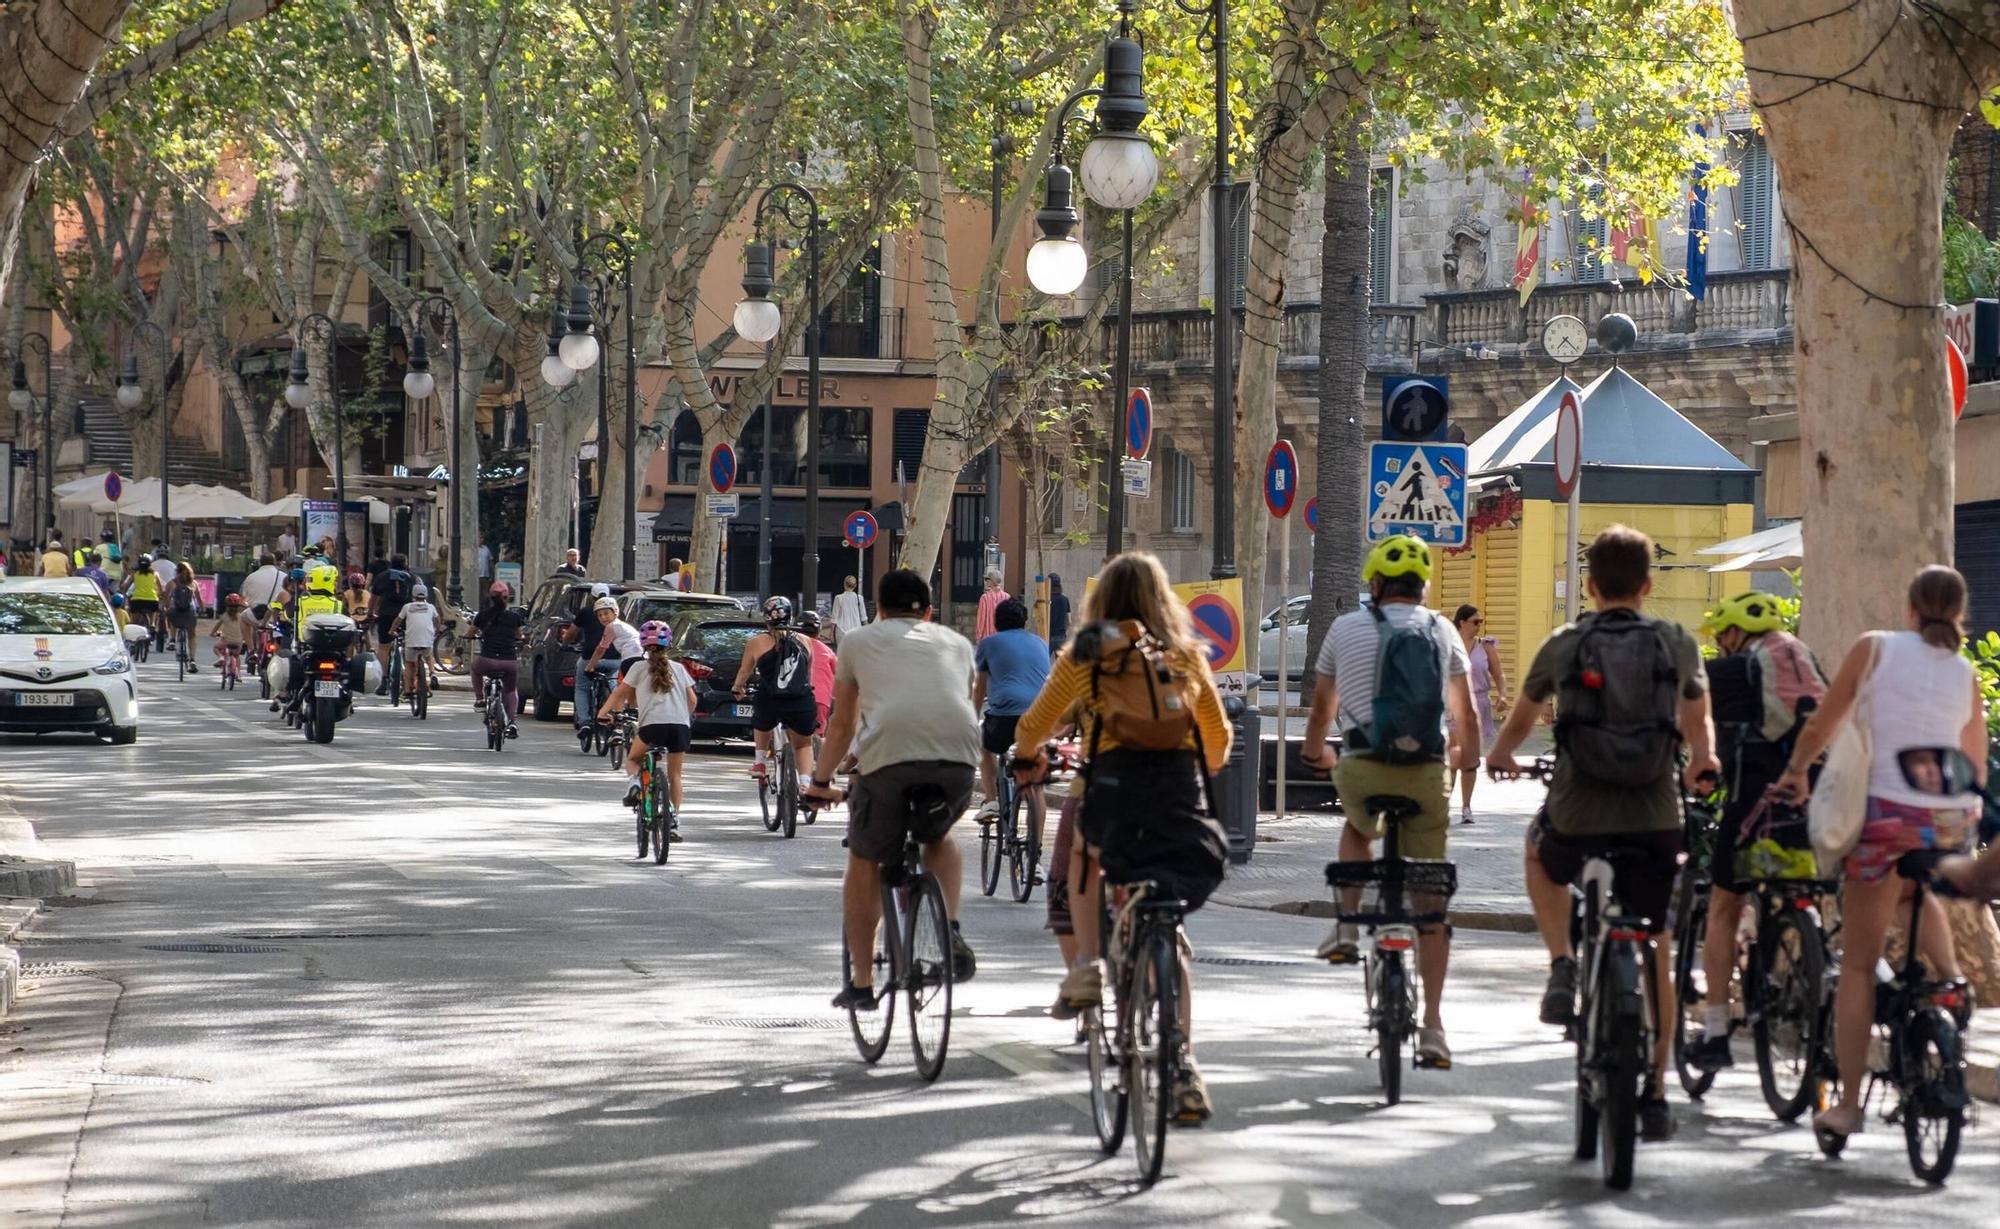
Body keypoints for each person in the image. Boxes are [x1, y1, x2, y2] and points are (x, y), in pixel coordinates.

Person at [1487, 524, 1717, 1144]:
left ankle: (1562, 963)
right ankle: (1659, 1095)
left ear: (1589, 586)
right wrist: (1702, 762)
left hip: (1577, 812)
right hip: (1654, 816)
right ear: (1647, 584)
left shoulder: (1567, 643)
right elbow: (1698, 719)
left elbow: (1524, 715)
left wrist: (1499, 755)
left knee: (1539, 851)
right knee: (1658, 949)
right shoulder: (1675, 642)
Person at [1011, 552, 1231, 1121]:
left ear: (1101, 600)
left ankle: (1086, 967)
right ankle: (1182, 1067)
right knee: (1170, 925)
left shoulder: (1088, 653)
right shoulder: (1182, 654)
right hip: (1178, 793)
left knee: (1086, 850)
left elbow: (1033, 724)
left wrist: (1026, 758)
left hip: (1112, 786)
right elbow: (1220, 739)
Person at [1770, 566, 1984, 1145]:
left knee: (1859, 966)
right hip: (1948, 824)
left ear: (1910, 609)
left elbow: (1823, 724)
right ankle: (1951, 981)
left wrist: (1795, 773)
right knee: (1915, 886)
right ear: (1959, 615)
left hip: (1887, 818)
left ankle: (1846, 1105)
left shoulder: (1876, 648)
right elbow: (1975, 763)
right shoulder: (1964, 671)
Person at [1296, 535, 1476, 1068]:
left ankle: (1349, 925)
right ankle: (1435, 1027)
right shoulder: (1443, 631)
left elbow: (1321, 713)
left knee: (1357, 825)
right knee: (1432, 904)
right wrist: (1465, 763)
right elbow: (1464, 718)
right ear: (1422, 587)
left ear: (1374, 584)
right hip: (1425, 772)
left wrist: (1315, 757)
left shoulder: (1345, 628)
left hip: (1362, 766)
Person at [803, 569, 980, 1007]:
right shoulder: (958, 644)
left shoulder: (860, 641)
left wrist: (821, 781)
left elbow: (842, 724)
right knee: (938, 834)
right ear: (930, 611)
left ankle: (862, 983)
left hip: (891, 759)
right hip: (959, 758)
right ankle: (950, 930)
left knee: (864, 858)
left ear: (878, 609)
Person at [1683, 590, 1828, 1074]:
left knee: (1725, 906)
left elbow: (1697, 736)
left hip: (1756, 804)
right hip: (1819, 801)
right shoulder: (1810, 663)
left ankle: (1717, 1033)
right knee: (1809, 893)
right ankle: (1821, 1003)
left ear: (1732, 634)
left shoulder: (1726, 672)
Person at [600, 620, 698, 829]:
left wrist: (602, 713)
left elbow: (620, 692)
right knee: (675, 775)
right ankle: (673, 818)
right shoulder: (679, 668)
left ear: (643, 644)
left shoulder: (638, 667)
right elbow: (693, 700)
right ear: (668, 644)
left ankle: (635, 783)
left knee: (633, 759)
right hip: (680, 726)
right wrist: (683, 716)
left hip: (652, 726)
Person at [973, 596, 1050, 825]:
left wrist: (971, 716)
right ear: (1024, 621)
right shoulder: (1041, 643)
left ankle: (991, 800)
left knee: (984, 745)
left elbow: (979, 689)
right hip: (1039, 718)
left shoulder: (989, 643)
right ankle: (1033, 853)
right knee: (1036, 785)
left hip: (1004, 717)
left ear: (996, 621)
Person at [731, 596, 821, 790]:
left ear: (766, 618)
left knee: (761, 723)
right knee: (803, 745)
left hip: (770, 700)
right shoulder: (805, 641)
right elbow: (808, 675)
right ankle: (805, 784)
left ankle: (760, 762)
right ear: (790, 617)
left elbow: (745, 671)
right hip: (799, 700)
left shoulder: (757, 642)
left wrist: (737, 688)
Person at [1449, 604, 1509, 825]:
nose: (1479, 626)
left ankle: (1466, 807)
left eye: (1481, 622)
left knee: (1470, 757)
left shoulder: (1486, 646)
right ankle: (1444, 803)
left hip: (1478, 705)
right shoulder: (1447, 644)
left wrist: (1503, 695)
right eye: (1475, 622)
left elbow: (1499, 674)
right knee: (1453, 756)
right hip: (1451, 704)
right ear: (1462, 622)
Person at [471, 581, 525, 735]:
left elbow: (470, 632)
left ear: (490, 597)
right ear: (507, 598)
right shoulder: (514, 617)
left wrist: (471, 636)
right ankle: (512, 722)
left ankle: (480, 699)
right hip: (509, 662)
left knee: (475, 669)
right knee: (510, 690)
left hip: (486, 660)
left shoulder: (482, 616)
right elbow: (519, 635)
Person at [566, 584, 614, 732]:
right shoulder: (617, 612)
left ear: (592, 598)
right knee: (613, 681)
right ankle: (616, 711)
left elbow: (571, 632)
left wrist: (565, 643)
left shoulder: (586, 612)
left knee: (581, 688)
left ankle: (584, 721)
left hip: (589, 656)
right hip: (615, 657)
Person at [369, 554, 415, 694]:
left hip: (386, 614)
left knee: (383, 648)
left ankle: (383, 680)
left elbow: (373, 598)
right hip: (406, 615)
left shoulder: (382, 576)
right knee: (409, 646)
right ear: (405, 564)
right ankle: (410, 681)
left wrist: (370, 613)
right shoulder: (411, 577)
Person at [390, 583, 441, 697]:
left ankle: (408, 690)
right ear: (426, 595)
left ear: (413, 594)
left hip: (412, 641)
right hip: (427, 640)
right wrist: (437, 629)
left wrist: (391, 631)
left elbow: (398, 620)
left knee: (409, 663)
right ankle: (432, 673)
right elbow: (437, 620)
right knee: (428, 656)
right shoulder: (431, 607)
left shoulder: (407, 607)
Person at [583, 595, 644, 687]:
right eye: (599, 615)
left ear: (615, 612)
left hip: (630, 660)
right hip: (643, 657)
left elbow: (601, 649)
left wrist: (589, 667)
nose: (603, 617)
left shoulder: (611, 626)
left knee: (625, 692)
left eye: (606, 613)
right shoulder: (624, 626)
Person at [798, 610, 838, 734]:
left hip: (796, 697)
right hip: (821, 699)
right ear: (818, 630)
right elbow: (840, 674)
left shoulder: (792, 647)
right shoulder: (827, 651)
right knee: (818, 735)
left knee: (796, 736)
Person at [167, 561, 202, 671]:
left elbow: (165, 598)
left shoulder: (172, 583)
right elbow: (200, 600)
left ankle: (172, 639)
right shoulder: (193, 583)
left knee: (171, 615)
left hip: (176, 612)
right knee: (192, 634)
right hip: (189, 613)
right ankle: (192, 659)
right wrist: (202, 609)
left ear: (176, 572)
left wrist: (164, 607)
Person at [211, 593, 255, 675]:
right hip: (238, 642)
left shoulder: (224, 616)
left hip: (226, 641)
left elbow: (216, 627)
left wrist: (213, 633)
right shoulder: (242, 617)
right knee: (236, 656)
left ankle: (221, 657)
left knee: (216, 647)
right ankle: (238, 674)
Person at [122, 554, 161, 634]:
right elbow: (160, 589)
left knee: (133, 621)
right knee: (154, 609)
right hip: (151, 600)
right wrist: (160, 594)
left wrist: (123, 592)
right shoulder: (155, 574)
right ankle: (152, 623)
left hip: (137, 600)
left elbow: (126, 585)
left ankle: (133, 638)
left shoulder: (135, 574)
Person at [974, 567, 1008, 641]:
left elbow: (981, 618)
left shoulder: (985, 598)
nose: (986, 581)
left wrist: (979, 636)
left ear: (991, 581)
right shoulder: (1007, 597)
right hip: (1003, 637)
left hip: (988, 637)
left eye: (987, 579)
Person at [831, 574, 868, 642]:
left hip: (841, 632)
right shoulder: (860, 598)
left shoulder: (839, 598)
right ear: (855, 585)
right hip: (857, 633)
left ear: (844, 584)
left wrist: (831, 634)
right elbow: (864, 618)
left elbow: (834, 619)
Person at [1046, 573, 1071, 651]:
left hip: (1048, 636)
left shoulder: (1045, 601)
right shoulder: (1065, 599)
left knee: (1045, 661)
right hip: (1061, 636)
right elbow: (1069, 621)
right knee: (1061, 662)